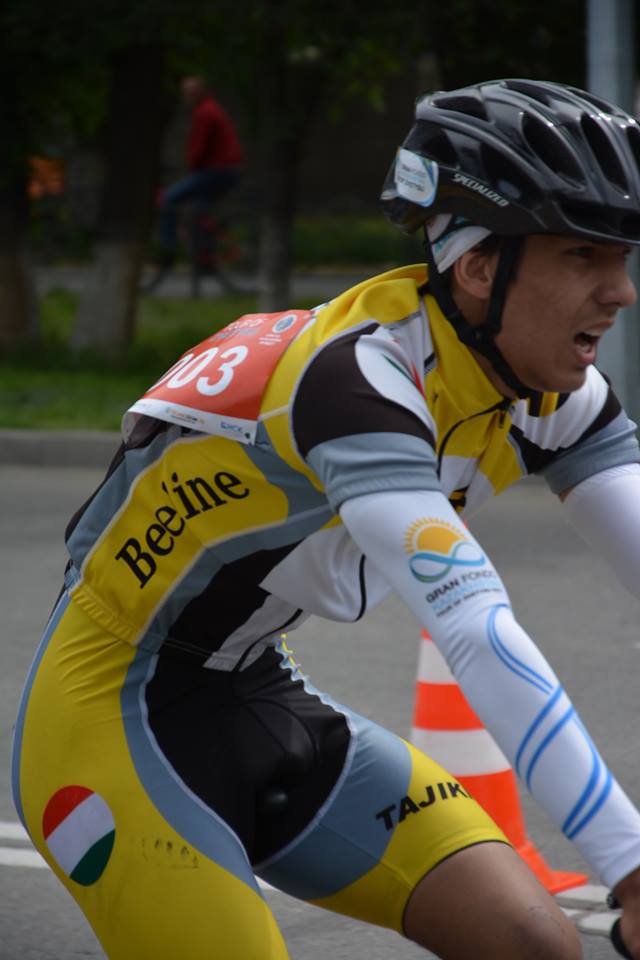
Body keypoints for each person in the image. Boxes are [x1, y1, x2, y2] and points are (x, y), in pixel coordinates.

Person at [11, 78, 640, 960]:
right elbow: (475, 630)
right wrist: (629, 865)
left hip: (261, 695)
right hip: (105, 715)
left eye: (622, 257)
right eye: (583, 255)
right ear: (478, 267)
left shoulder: (543, 387)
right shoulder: (354, 382)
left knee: (534, 942)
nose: (621, 291)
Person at [147, 75, 244, 287]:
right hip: (224, 171)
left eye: (190, 93)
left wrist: (191, 167)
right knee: (199, 210)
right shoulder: (211, 109)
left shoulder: (205, 113)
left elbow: (198, 148)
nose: (187, 97)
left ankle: (168, 251)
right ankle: (205, 254)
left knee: (167, 200)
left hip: (216, 171)